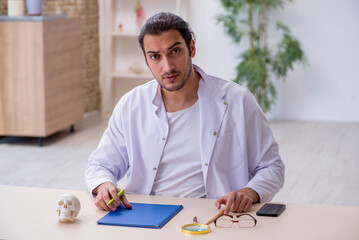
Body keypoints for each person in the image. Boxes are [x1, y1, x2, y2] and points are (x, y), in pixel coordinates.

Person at [85, 12, 284, 214]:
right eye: (155, 56)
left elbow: (272, 167)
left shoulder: (238, 101)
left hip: (215, 216)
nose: (167, 66)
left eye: (175, 51)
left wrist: (249, 193)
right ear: (146, 60)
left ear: (192, 48)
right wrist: (104, 186)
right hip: (144, 217)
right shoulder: (131, 105)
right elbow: (99, 165)